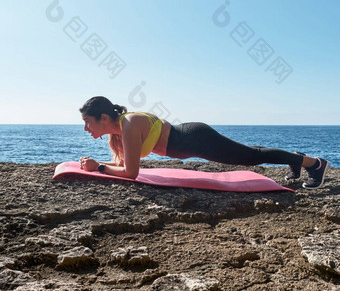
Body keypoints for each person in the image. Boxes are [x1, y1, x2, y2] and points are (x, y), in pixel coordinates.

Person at [79, 96, 330, 190]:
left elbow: (131, 173)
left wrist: (98, 168)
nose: (85, 128)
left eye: (88, 121)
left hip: (196, 139)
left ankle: (314, 164)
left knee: (252, 156)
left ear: (103, 117)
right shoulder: (119, 132)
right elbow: (122, 165)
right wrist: (97, 164)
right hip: (190, 140)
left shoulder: (129, 124)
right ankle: (295, 157)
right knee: (251, 153)